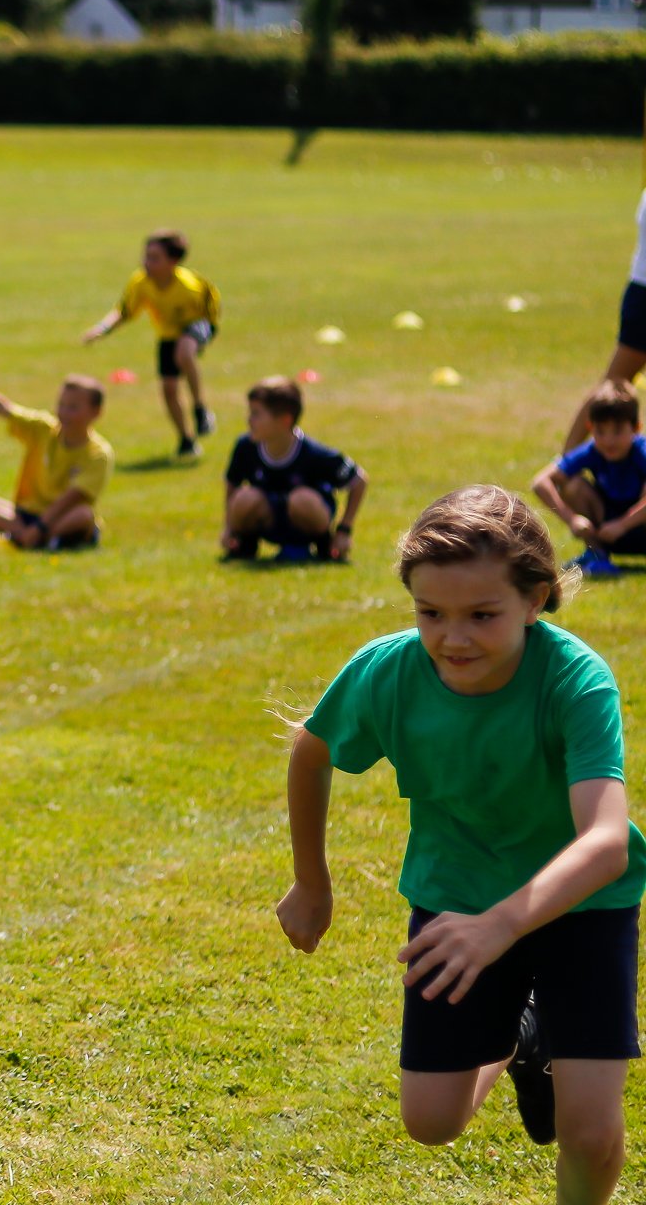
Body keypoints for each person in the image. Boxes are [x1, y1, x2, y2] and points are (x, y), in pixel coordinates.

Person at [278, 486, 645, 1205]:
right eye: (431, 614)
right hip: (455, 900)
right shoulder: (389, 671)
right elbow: (310, 750)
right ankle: (522, 1034)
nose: (453, 638)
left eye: (483, 615)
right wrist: (311, 882)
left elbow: (605, 843)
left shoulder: (574, 680)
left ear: (536, 598)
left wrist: (502, 926)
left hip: (582, 906)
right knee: (431, 1121)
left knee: (590, 1131)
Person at [0, 372, 112, 551]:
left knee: (84, 516)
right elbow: (1, 406)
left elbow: (70, 500)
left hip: (60, 518)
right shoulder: (43, 428)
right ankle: (39, 541)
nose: (63, 412)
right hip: (26, 516)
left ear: (96, 412)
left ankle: (24, 538)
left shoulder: (98, 454)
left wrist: (40, 528)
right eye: (61, 404)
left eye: (73, 407)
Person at [81, 230, 221, 459]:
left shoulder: (189, 286)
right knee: (168, 389)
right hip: (167, 334)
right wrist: (101, 329)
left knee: (184, 353)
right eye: (146, 256)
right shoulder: (141, 282)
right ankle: (186, 440)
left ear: (173, 261)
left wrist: (204, 336)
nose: (146, 262)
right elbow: (125, 311)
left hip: (197, 324)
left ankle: (200, 409)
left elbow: (211, 311)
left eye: (154, 258)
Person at [222, 376, 367, 563]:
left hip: (304, 519)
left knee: (302, 500)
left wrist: (344, 530)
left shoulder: (313, 454)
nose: (249, 420)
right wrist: (228, 528)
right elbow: (232, 483)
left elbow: (359, 481)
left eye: (256, 414)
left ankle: (324, 546)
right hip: (268, 519)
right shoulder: (246, 447)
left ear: (285, 420)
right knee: (244, 499)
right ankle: (244, 546)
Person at [533, 379, 646, 579]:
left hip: (638, 528)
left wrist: (622, 524)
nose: (608, 440)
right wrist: (572, 519)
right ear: (590, 427)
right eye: (600, 431)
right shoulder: (592, 451)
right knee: (570, 484)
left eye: (618, 431)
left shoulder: (641, 451)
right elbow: (540, 482)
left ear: (636, 428)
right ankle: (597, 555)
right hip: (606, 530)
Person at [561, 189, 646, 452]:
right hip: (643, 296)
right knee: (613, 384)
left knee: (613, 381)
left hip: (640, 293)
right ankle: (563, 469)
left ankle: (563, 465)